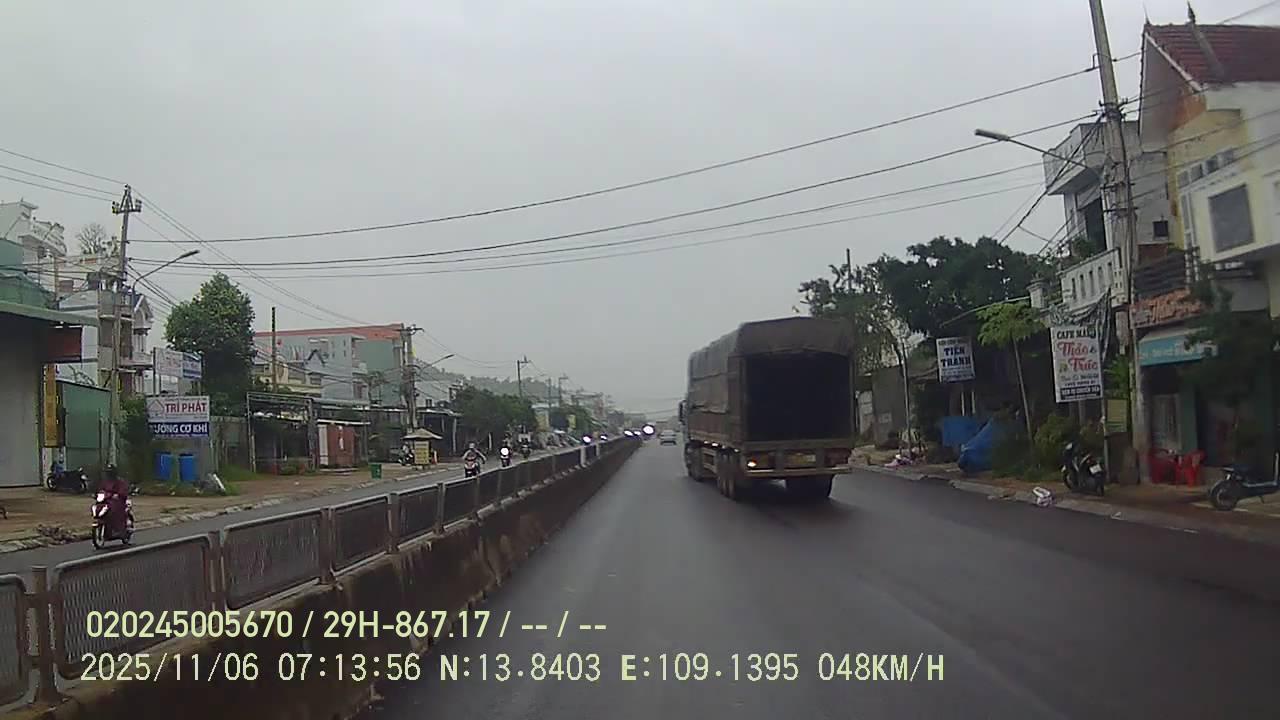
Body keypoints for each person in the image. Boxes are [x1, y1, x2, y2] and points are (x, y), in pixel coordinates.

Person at [98, 464, 131, 533]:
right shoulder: (105, 482)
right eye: (108, 472)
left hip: (118, 501)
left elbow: (123, 490)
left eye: (110, 472)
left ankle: (118, 528)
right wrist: (98, 494)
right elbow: (101, 489)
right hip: (106, 500)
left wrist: (118, 494)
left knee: (114, 510)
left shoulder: (120, 481)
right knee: (99, 507)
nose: (109, 474)